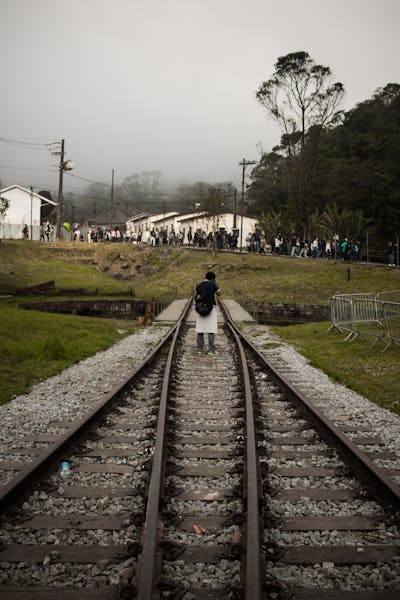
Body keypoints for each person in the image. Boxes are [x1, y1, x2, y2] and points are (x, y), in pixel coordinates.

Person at [195, 271, 221, 355]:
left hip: (200, 309)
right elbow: (219, 293)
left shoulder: (198, 285)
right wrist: (215, 286)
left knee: (200, 330)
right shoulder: (213, 284)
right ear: (213, 279)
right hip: (210, 309)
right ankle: (211, 350)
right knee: (211, 330)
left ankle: (199, 350)